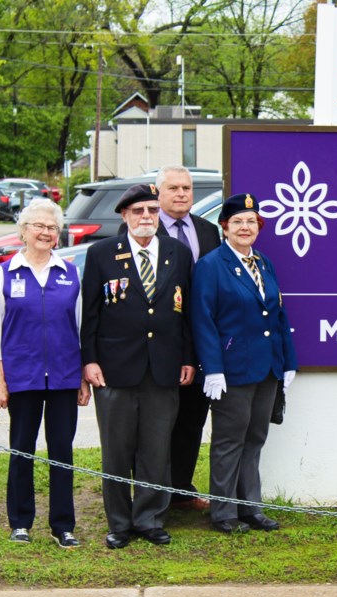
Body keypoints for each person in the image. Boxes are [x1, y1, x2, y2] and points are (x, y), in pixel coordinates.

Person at [80, 184, 195, 549]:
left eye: (151, 210)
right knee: (117, 449)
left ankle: (149, 519)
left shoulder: (177, 253)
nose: (146, 217)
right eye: (138, 211)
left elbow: (187, 312)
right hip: (114, 369)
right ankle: (119, 523)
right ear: (124, 216)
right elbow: (91, 313)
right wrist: (89, 360)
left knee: (156, 449)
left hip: (163, 368)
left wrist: (188, 357)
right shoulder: (101, 254)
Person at [0, 199, 91, 548]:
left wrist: (82, 378)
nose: (45, 233)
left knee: (62, 450)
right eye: (39, 226)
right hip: (22, 377)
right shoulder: (6, 272)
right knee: (22, 448)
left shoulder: (69, 272)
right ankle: (20, 522)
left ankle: (63, 525)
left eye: (51, 227)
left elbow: (80, 328)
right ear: (24, 231)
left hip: (62, 377)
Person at [190, 193, 298, 534]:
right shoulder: (211, 266)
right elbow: (202, 320)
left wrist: (288, 361)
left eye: (251, 222)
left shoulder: (264, 263)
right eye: (237, 221)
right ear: (225, 227)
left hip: (266, 368)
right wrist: (213, 367)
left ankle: (251, 508)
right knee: (228, 442)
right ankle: (223, 512)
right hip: (232, 370)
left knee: (255, 438)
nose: (245, 227)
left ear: (259, 227)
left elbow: (277, 314)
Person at [156, 165, 221, 511]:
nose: (181, 194)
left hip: (200, 343)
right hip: (160, 344)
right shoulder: (145, 231)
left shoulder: (208, 231)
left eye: (186, 188)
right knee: (158, 423)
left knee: (192, 420)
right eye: (173, 188)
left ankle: (181, 488)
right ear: (158, 192)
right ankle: (155, 494)